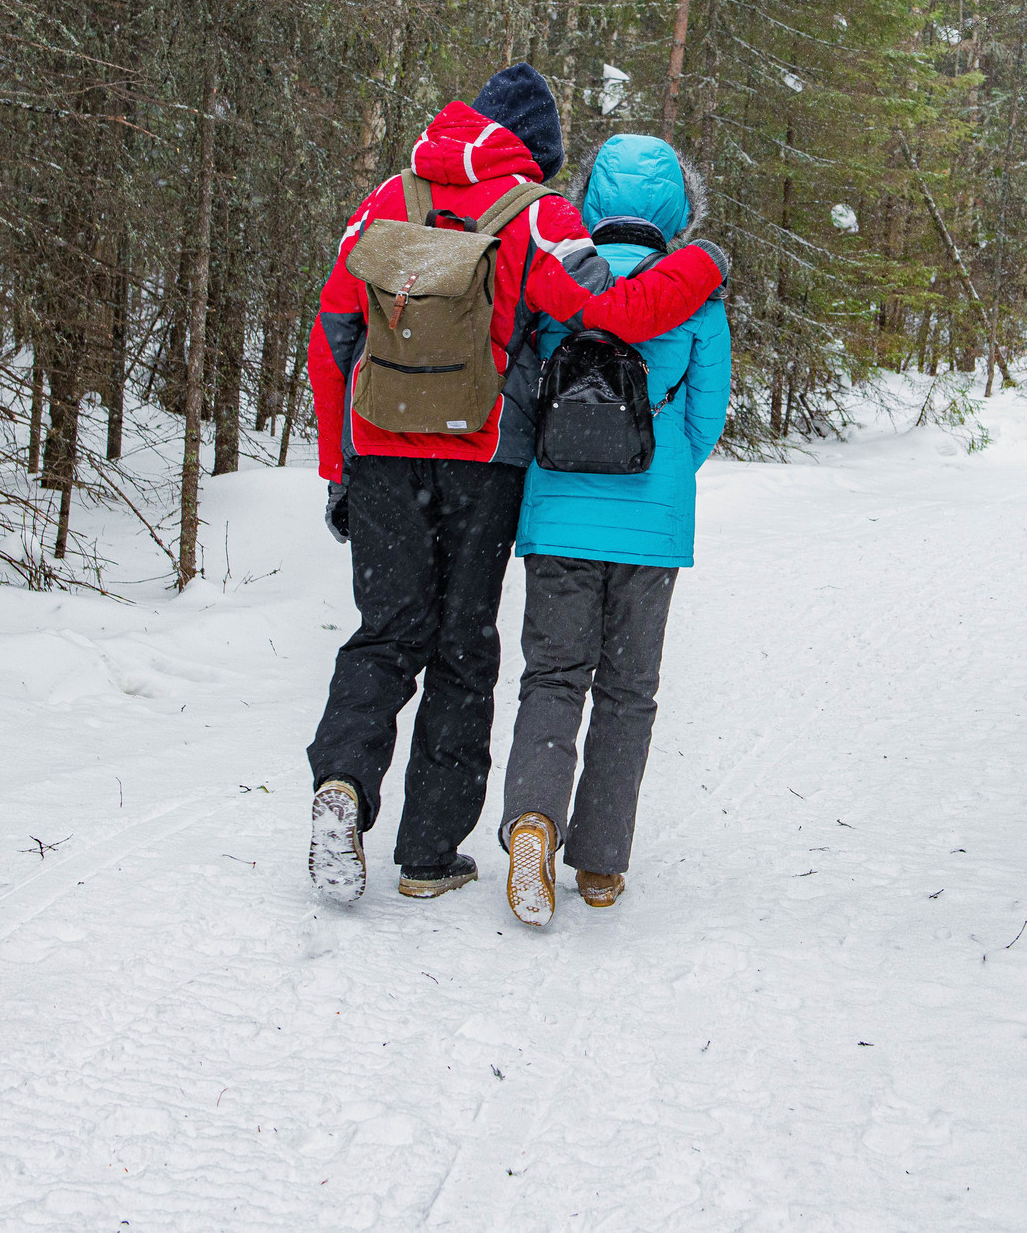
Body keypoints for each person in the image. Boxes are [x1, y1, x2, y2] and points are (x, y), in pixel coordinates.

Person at [304, 65, 731, 906]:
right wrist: (704, 264)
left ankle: (344, 782)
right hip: (483, 455)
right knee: (463, 647)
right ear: (536, 151)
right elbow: (621, 313)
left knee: (384, 633)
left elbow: (332, 334)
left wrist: (337, 466)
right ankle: (429, 854)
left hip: (381, 449)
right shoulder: (539, 214)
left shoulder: (385, 199)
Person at [497, 134, 730, 926]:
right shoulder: (695, 293)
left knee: (552, 678)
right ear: (679, 205)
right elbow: (703, 420)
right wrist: (657, 474)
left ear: (592, 197)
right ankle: (599, 861)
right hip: (649, 528)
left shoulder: (558, 277)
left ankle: (533, 819)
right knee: (628, 692)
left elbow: (523, 390)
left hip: (558, 515)